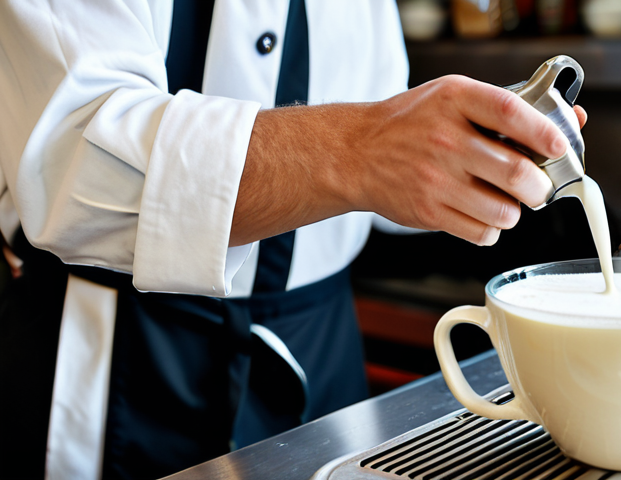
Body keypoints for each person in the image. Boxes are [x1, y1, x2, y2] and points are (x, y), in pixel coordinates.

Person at [0, 0, 586, 479]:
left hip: (323, 342)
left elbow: (383, 140)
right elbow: (75, 162)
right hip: (124, 356)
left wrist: (461, 148)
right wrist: (363, 150)